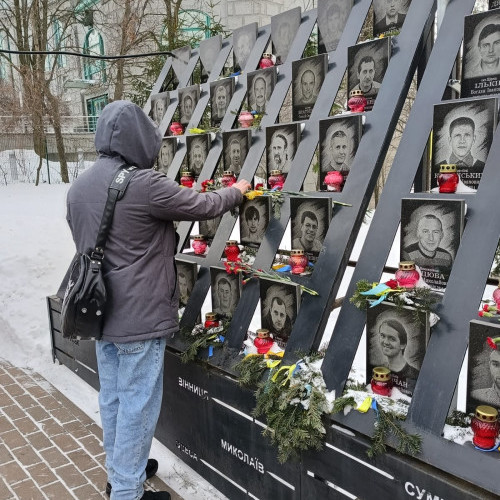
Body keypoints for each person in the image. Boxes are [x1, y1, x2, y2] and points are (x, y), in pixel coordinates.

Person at [66, 100, 251, 500]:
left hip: (99, 314)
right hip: (140, 318)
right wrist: (235, 192)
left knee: (113, 398)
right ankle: (127, 491)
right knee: (138, 405)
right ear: (139, 138)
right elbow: (202, 205)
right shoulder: (144, 184)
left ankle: (122, 472)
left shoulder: (79, 187)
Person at [377, 318, 419, 396]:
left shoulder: (415, 376)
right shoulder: (378, 369)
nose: (385, 342)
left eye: (392, 339)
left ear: (402, 345)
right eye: (382, 336)